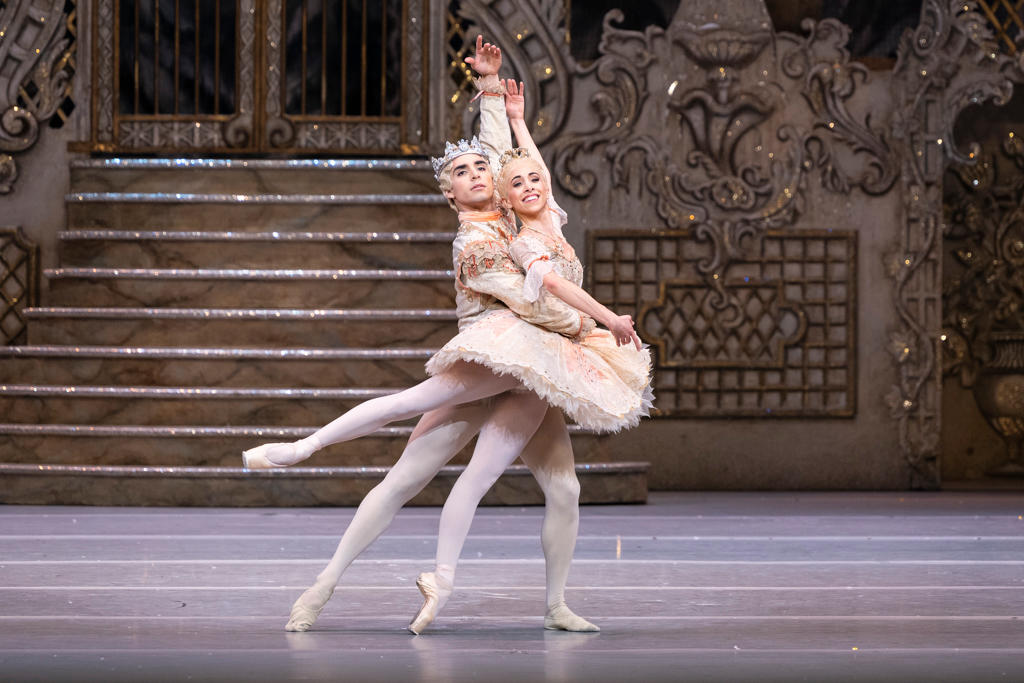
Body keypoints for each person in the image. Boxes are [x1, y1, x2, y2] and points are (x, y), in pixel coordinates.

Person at [242, 37, 648, 634]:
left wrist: (491, 93)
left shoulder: (513, 212)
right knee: (404, 476)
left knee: (565, 490)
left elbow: (503, 156)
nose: (479, 173)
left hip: (534, 373)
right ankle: (322, 574)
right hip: (491, 362)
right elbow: (534, 301)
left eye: (482, 169)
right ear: (449, 193)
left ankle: (555, 602)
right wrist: (592, 322)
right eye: (463, 173)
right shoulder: (476, 244)